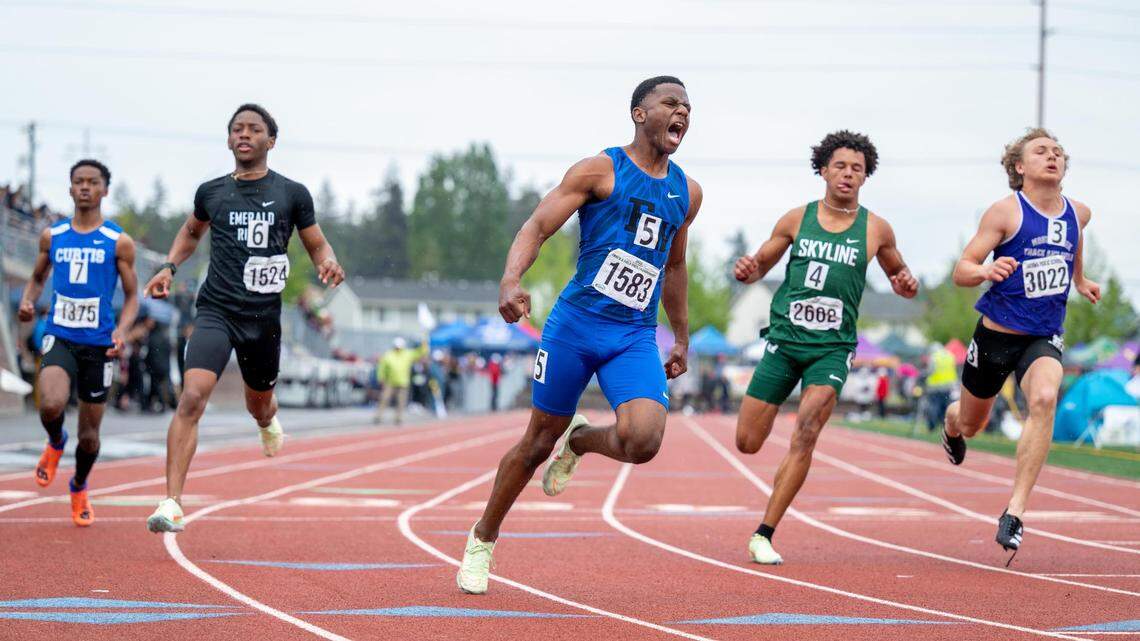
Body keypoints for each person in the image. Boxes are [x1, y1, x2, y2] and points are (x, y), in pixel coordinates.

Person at [457, 76, 700, 594]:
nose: (682, 111)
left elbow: (675, 267)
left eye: (688, 106)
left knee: (643, 441)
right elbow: (537, 227)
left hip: (633, 335)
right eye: (670, 103)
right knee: (536, 443)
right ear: (639, 113)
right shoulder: (599, 170)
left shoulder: (687, 192)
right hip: (576, 326)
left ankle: (583, 440)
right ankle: (483, 538)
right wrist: (511, 279)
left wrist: (681, 337)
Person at [144, 104, 345, 533]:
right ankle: (172, 502)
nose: (244, 135)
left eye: (254, 129)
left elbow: (316, 244)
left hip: (262, 319)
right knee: (192, 397)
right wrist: (169, 266)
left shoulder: (292, 194)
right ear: (228, 139)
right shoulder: (212, 192)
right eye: (237, 129)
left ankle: (267, 421)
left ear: (271, 141)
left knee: (259, 404)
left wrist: (327, 262)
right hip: (216, 310)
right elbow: (191, 232)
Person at [732, 130, 919, 564]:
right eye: (840, 166)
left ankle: (764, 533)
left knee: (807, 429)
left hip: (832, 348)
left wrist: (907, 284)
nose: (848, 175)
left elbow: (900, 278)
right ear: (823, 170)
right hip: (784, 341)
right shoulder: (797, 219)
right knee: (747, 442)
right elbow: (759, 267)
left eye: (857, 169)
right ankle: (780, 476)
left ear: (865, 177)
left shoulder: (876, 229)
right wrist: (747, 270)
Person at [940, 128, 1099, 559]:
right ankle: (952, 423)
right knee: (971, 423)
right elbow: (962, 269)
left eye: (1058, 152)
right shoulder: (1005, 213)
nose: (1052, 156)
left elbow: (1074, 242)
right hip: (996, 336)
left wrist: (1080, 279)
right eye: (1041, 151)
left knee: (1044, 398)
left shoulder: (1079, 213)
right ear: (1019, 166)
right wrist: (984, 272)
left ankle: (1015, 511)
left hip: (1043, 335)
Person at [19, 159, 139, 527]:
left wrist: (122, 330)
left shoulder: (118, 241)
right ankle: (56, 442)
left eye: (92, 182)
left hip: (99, 344)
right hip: (61, 334)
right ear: (70, 189)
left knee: (89, 438)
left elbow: (132, 297)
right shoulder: (52, 236)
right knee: (50, 404)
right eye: (78, 181)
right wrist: (28, 301)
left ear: (105, 189)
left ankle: (79, 485)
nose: (85, 187)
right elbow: (37, 278)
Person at [374, 337, 427, 425]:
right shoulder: (388, 355)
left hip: (403, 382)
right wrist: (381, 378)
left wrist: (424, 344)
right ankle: (378, 416)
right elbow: (382, 367)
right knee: (384, 399)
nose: (398, 349)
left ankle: (398, 418)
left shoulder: (407, 354)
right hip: (390, 382)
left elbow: (420, 353)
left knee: (401, 402)